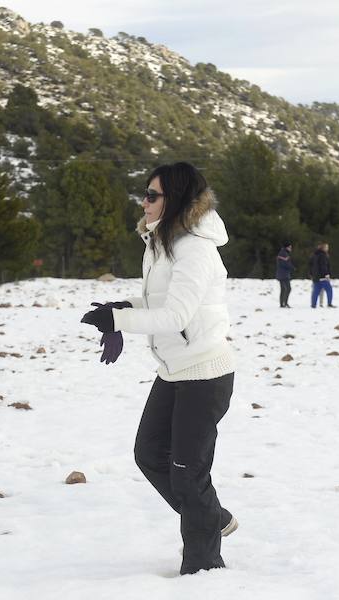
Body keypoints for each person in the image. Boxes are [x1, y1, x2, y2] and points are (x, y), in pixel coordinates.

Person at [80, 162, 237, 575]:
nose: (144, 202)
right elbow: (160, 302)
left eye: (152, 195)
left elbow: (176, 316)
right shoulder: (162, 242)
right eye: (145, 193)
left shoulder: (195, 248)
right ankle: (210, 516)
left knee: (188, 473)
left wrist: (120, 321)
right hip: (174, 368)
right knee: (149, 453)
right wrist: (122, 307)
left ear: (177, 199)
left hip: (204, 372)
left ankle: (204, 569)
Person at [309, 242, 335, 308]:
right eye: (326, 247)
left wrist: (311, 273)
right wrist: (326, 274)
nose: (327, 248)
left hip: (315, 276)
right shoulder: (323, 255)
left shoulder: (314, 254)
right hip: (322, 276)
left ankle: (313, 304)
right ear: (323, 248)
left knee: (316, 291)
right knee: (329, 289)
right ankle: (329, 303)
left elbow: (311, 265)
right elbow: (323, 266)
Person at [276, 242, 295, 307]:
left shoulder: (283, 253)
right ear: (286, 247)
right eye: (290, 247)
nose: (291, 249)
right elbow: (284, 264)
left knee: (283, 289)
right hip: (284, 274)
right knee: (288, 288)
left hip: (282, 273)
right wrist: (292, 267)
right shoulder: (284, 254)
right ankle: (284, 303)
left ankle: (282, 303)